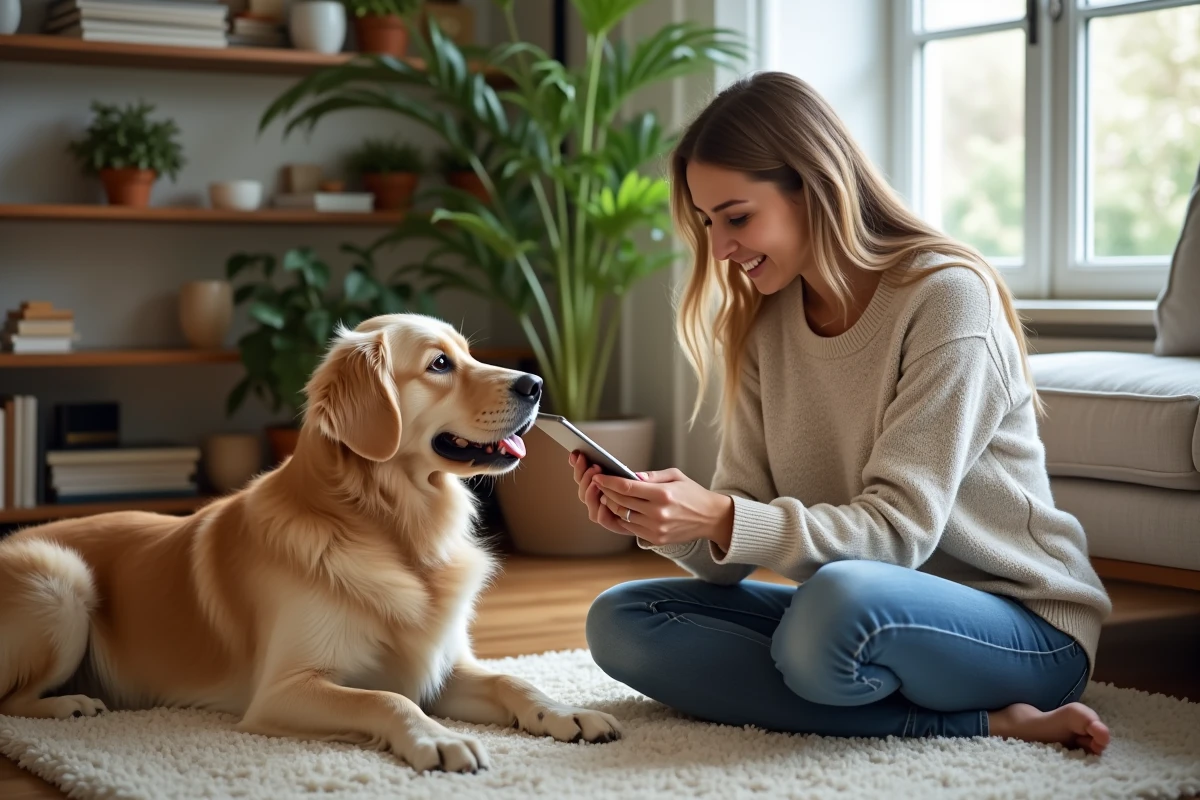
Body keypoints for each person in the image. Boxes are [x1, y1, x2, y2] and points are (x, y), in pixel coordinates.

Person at [572, 71, 1113, 755]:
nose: (719, 249)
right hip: (853, 609)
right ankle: (987, 722)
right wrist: (666, 520)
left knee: (831, 611)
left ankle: (978, 705)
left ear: (815, 184)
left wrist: (720, 516)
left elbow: (897, 535)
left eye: (737, 217)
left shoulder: (945, 297)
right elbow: (738, 528)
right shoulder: (764, 321)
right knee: (624, 618)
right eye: (708, 223)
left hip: (1023, 627)